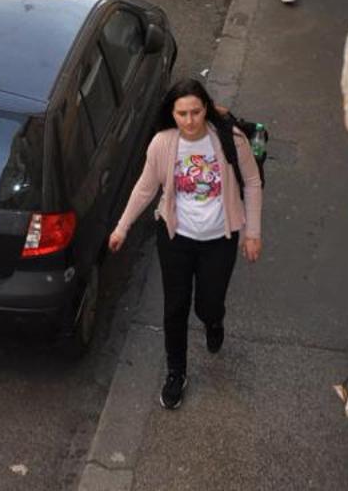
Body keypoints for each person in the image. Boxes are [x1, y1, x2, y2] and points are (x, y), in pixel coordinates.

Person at [108, 79, 262, 412]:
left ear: (206, 108)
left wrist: (253, 233)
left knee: (208, 303)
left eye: (195, 112)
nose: (189, 120)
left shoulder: (229, 140)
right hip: (176, 238)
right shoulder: (163, 144)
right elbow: (145, 189)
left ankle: (214, 321)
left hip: (220, 239)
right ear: (172, 114)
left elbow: (251, 183)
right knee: (174, 308)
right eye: (182, 113)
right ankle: (176, 372)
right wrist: (122, 227)